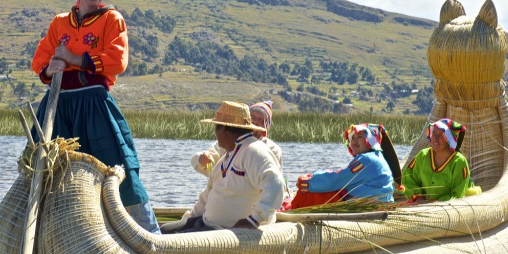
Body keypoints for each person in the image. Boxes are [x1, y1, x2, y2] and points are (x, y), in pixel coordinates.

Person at [30, 0, 160, 232]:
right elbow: (40, 59)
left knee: (118, 167)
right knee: (47, 173)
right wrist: (49, 68)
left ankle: (149, 234)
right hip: (58, 105)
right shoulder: (59, 23)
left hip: (94, 105)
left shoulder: (112, 19)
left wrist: (75, 57)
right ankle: (53, 234)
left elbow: (117, 60)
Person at [168, 102, 286, 232]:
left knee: (168, 241)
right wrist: (189, 219)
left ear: (223, 130)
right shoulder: (229, 154)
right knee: (165, 230)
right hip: (206, 223)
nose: (215, 133)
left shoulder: (254, 151)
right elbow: (208, 195)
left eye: (216, 127)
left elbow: (276, 184)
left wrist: (254, 219)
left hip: (224, 232)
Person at [287, 123, 401, 209]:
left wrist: (308, 182)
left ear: (370, 140)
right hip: (379, 204)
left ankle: (290, 209)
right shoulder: (377, 157)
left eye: (359, 137)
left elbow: (337, 180)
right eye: (352, 138)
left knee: (311, 192)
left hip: (369, 207)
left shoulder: (366, 160)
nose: (354, 142)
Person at [191, 100, 283, 175]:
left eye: (260, 119)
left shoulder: (272, 149)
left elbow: (274, 180)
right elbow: (211, 168)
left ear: (265, 125)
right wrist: (203, 161)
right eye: (253, 117)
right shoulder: (229, 141)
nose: (255, 121)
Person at [401, 118, 480, 202]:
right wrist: (418, 197)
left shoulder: (458, 162)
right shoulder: (423, 156)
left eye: (441, 134)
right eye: (434, 133)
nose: (435, 138)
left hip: (446, 208)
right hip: (423, 205)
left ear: (449, 139)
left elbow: (458, 194)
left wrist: (436, 203)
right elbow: (408, 177)